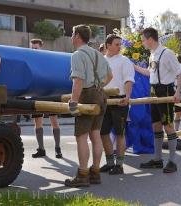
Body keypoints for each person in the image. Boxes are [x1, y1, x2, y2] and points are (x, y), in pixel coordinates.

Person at [65, 25, 113, 187]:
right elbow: (110, 76)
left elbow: (78, 81)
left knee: (81, 137)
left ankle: (83, 175)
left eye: (72, 34)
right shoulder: (98, 54)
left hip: (87, 95)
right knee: (96, 135)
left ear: (77, 36)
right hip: (100, 95)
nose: (71, 37)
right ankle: (95, 173)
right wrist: (100, 86)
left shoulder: (77, 55)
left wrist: (73, 101)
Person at [134, 27, 181, 173]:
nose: (142, 43)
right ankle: (157, 159)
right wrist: (133, 66)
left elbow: (179, 73)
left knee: (168, 125)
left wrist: (178, 92)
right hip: (154, 91)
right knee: (156, 125)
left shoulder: (167, 53)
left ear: (150, 39)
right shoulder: (152, 54)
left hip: (165, 91)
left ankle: (173, 162)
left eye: (143, 40)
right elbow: (150, 74)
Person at [99, 34, 135, 175]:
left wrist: (127, 96)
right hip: (104, 99)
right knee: (103, 132)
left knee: (120, 133)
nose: (119, 47)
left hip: (120, 99)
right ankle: (109, 163)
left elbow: (128, 80)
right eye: (116, 44)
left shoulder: (124, 60)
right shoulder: (101, 60)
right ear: (108, 45)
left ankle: (119, 165)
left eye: (120, 44)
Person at [29, 38, 62, 159]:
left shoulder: (47, 58)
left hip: (49, 93)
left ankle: (58, 148)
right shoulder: (30, 59)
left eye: (35, 48)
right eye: (32, 48)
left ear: (41, 47)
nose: (33, 50)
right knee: (37, 121)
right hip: (36, 93)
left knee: (54, 120)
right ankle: (41, 149)